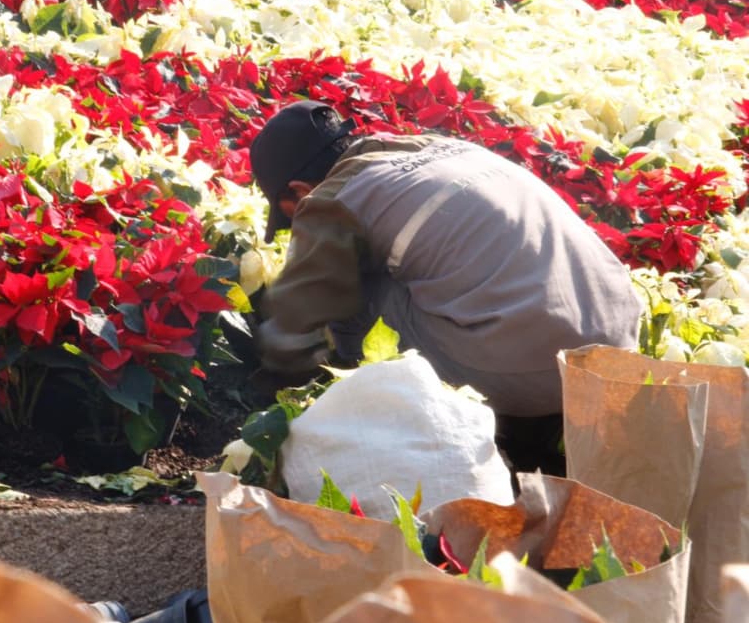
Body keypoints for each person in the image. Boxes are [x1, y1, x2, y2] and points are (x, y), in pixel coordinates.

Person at [249, 100, 642, 472]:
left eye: (288, 219)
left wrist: (272, 394)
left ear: (299, 191)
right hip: (618, 350)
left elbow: (297, 323)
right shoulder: (454, 152)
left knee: (357, 290)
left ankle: (421, 420)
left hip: (530, 373)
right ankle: (535, 420)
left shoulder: (335, 198)